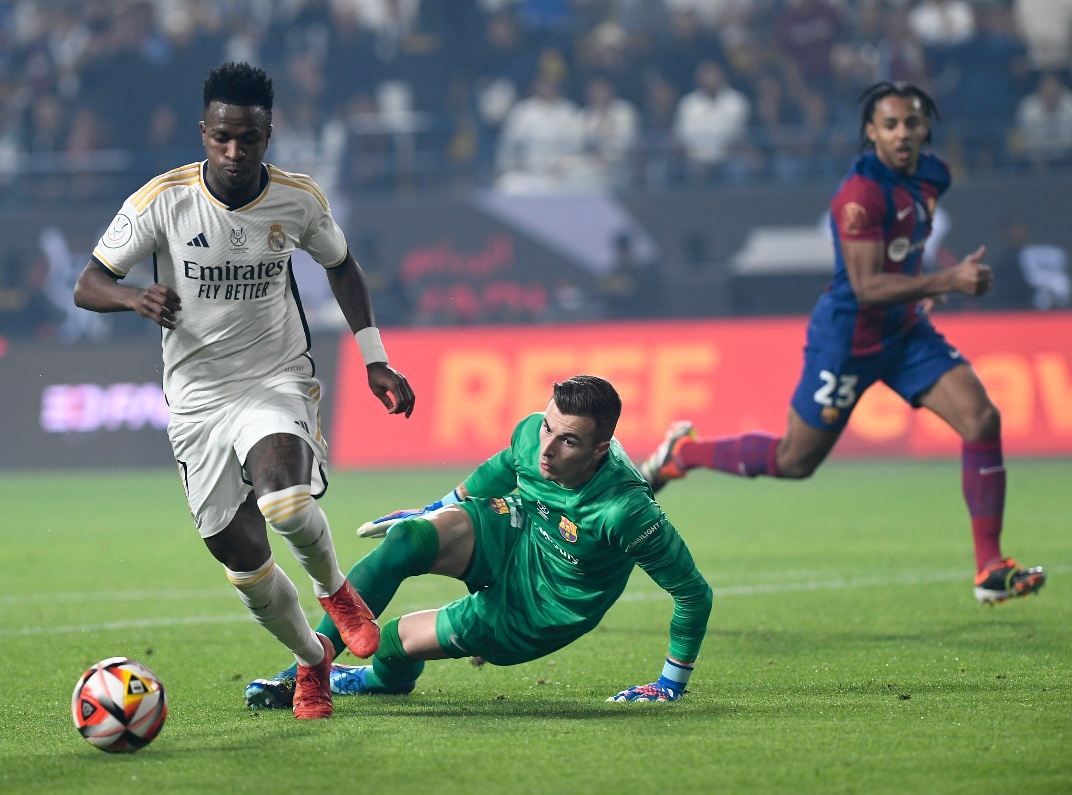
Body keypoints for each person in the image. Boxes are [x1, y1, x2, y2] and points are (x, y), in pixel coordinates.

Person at [71, 62, 416, 720]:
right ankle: (314, 660)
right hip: (197, 400)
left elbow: (342, 265)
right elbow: (88, 282)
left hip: (273, 375)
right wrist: (131, 296)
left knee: (285, 502)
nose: (234, 153)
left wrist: (375, 359)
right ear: (204, 133)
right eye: (222, 138)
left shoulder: (297, 199)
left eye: (248, 140)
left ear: (268, 135)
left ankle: (337, 591)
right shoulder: (161, 202)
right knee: (245, 564)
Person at [639, 82, 1046, 606]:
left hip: (904, 333)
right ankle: (683, 453)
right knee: (794, 461)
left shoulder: (933, 174)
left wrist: (919, 286)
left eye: (912, 123)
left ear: (926, 129)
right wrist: (944, 282)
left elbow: (902, 250)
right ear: (871, 132)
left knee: (982, 419)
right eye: (891, 124)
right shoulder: (859, 195)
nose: (903, 133)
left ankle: (990, 566)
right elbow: (866, 286)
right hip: (848, 341)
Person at [245, 376, 712, 707]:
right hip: (519, 532)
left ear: (599, 450)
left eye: (568, 442)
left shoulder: (626, 511)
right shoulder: (536, 433)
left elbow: (693, 593)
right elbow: (507, 465)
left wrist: (670, 683)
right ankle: (307, 669)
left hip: (542, 606)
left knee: (390, 645)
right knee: (409, 538)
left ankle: (378, 681)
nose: (547, 449)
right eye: (548, 428)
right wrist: (435, 509)